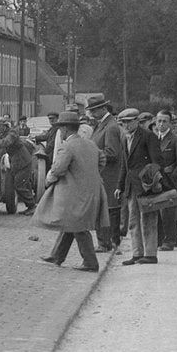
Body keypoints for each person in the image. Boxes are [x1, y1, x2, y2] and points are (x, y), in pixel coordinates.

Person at [34, 111, 108, 272]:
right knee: (71, 222)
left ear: (65, 129)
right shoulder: (90, 144)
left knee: (78, 227)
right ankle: (57, 256)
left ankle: (90, 262)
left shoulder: (67, 146)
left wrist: (48, 180)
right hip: (91, 190)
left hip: (74, 193)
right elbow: (103, 160)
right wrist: (90, 175)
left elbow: (58, 169)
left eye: (60, 128)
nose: (60, 131)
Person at [115, 108, 162, 265]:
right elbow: (124, 164)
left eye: (129, 122)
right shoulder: (125, 138)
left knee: (148, 219)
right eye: (123, 123)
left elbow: (157, 161)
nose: (126, 125)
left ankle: (150, 254)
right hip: (131, 186)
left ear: (137, 121)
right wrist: (119, 186)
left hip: (146, 185)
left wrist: (149, 182)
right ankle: (137, 253)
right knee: (133, 220)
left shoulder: (148, 136)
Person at [87, 97, 124, 251]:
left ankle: (107, 242)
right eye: (91, 110)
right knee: (106, 208)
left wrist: (91, 154)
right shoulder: (102, 125)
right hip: (103, 174)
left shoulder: (110, 127)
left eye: (94, 110)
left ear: (103, 109)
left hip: (109, 175)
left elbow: (112, 152)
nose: (92, 113)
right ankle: (108, 242)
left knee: (108, 209)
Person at [153, 110, 177, 251]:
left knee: (168, 211)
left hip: (169, 180)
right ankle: (158, 239)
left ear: (170, 123)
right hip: (155, 180)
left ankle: (169, 241)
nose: (161, 124)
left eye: (164, 121)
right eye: (159, 121)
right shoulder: (152, 139)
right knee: (156, 210)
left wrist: (173, 179)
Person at [0, 117, 37, 215]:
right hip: (16, 161)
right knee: (21, 184)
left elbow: (6, 142)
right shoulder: (3, 133)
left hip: (23, 161)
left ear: (5, 126)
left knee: (19, 185)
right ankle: (30, 206)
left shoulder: (12, 133)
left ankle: (32, 206)